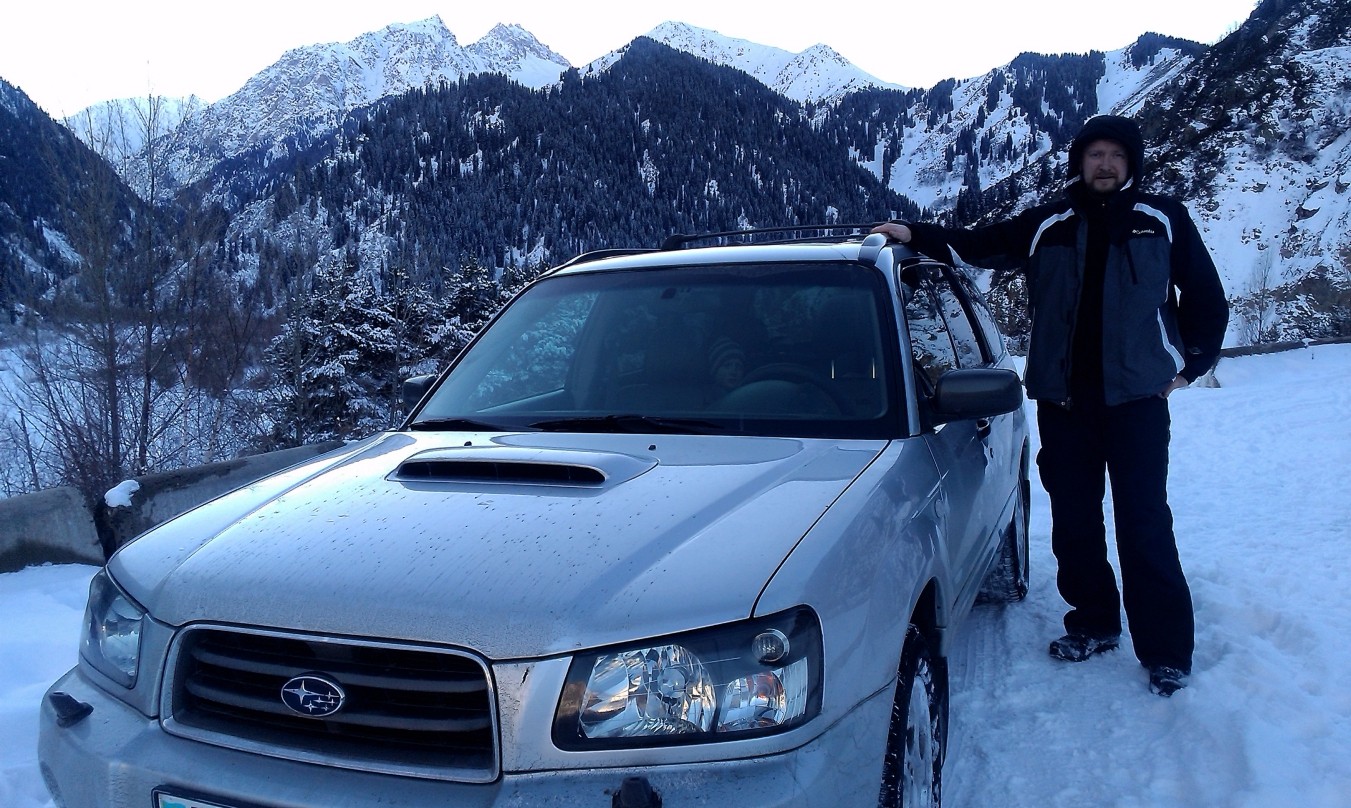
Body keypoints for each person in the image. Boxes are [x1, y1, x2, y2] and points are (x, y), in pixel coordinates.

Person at [872, 115, 1229, 696]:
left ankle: (1166, 650)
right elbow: (980, 246)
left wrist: (1187, 367)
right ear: (1079, 162)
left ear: (1131, 164)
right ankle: (1092, 622)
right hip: (1065, 405)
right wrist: (916, 233)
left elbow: (1207, 298)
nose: (1105, 164)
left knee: (1144, 523)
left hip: (1137, 405)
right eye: (1095, 154)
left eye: (1116, 155)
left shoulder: (1162, 220)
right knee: (1075, 521)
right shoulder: (1049, 224)